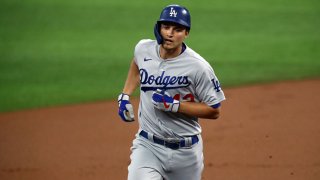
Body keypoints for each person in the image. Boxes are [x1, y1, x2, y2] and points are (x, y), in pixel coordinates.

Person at [117, 4, 226, 180]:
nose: (169, 33)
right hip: (148, 146)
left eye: (177, 29)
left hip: (186, 152)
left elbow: (214, 110)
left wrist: (174, 105)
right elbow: (137, 64)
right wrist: (125, 95)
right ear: (158, 28)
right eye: (166, 27)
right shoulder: (143, 49)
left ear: (186, 33)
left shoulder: (198, 67)